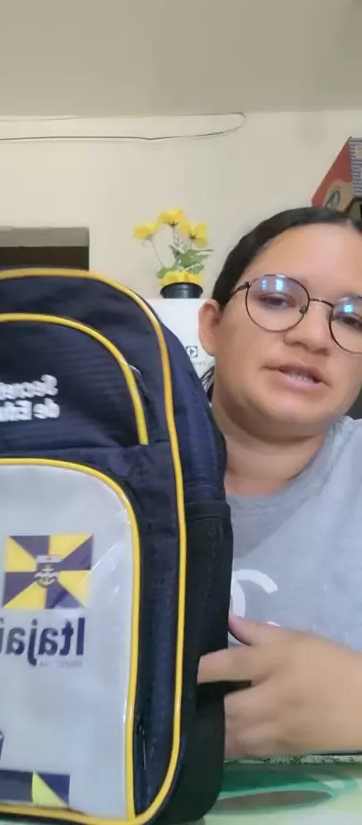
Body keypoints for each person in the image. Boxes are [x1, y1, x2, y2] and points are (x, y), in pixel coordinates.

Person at [196, 207, 362, 760]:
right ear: (212, 326)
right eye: (276, 298)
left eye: (353, 319)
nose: (314, 336)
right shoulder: (106, 477)